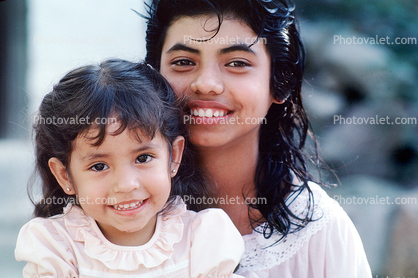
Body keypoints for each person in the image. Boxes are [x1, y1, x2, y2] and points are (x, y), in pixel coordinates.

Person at [145, 0, 373, 276]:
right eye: (183, 62)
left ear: (279, 84)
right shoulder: (116, 206)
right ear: (153, 77)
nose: (205, 83)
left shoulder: (322, 232)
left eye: (237, 63)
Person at [15, 59, 244, 277]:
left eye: (143, 158)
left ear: (173, 156)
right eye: (99, 166)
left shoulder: (202, 240)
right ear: (65, 176)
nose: (126, 184)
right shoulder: (57, 249)